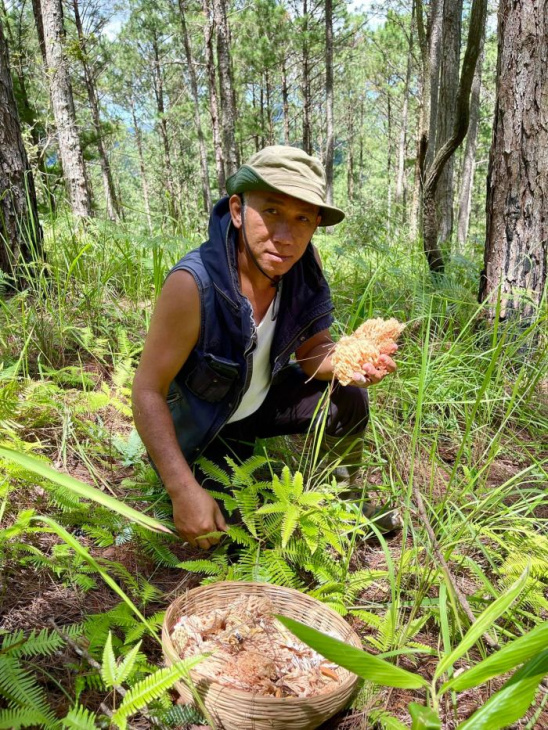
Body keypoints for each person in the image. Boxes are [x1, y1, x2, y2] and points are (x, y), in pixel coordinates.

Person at [132, 146, 400, 550]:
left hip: (257, 405)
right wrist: (180, 488)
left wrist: (350, 363)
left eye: (303, 219)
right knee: (241, 534)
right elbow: (147, 391)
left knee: (349, 394)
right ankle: (203, 486)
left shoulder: (301, 268)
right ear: (238, 210)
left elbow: (312, 351)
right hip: (205, 430)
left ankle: (344, 507)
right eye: (271, 212)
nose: (285, 237)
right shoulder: (194, 286)